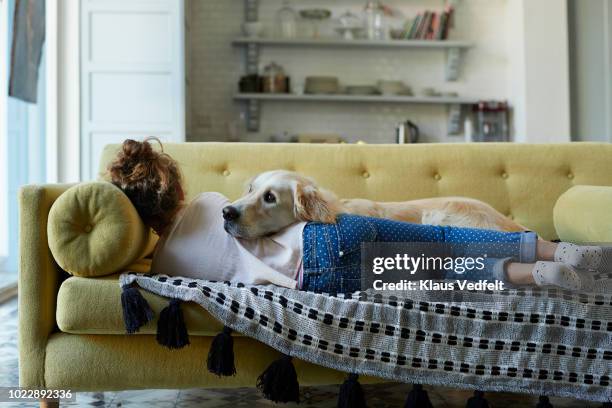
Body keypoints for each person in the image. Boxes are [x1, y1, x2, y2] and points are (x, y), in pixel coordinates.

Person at [108, 138, 608, 294]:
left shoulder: (165, 267)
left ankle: (536, 276)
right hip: (335, 232)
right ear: (173, 184)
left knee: (445, 277)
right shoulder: (215, 204)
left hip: (320, 279)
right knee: (448, 245)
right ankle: (555, 251)